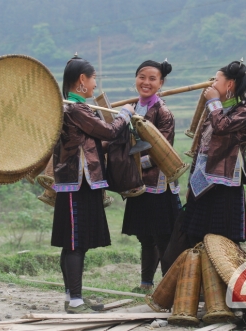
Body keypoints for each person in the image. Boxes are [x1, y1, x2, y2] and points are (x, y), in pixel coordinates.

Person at [51, 55, 135, 314]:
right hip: (80, 181)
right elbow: (109, 132)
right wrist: (125, 114)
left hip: (76, 182)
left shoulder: (73, 109)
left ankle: (72, 296)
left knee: (73, 241)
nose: (95, 84)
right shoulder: (76, 109)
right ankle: (75, 300)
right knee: (76, 242)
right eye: (93, 77)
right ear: (81, 81)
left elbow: (95, 141)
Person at [121, 59, 182, 292]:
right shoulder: (132, 108)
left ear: (160, 83)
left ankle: (169, 287)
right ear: (136, 79)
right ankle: (146, 284)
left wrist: (134, 163)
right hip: (139, 183)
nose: (146, 82)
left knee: (163, 237)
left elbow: (161, 151)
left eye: (152, 79)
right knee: (145, 237)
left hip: (159, 184)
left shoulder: (163, 112)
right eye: (142, 77)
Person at [181, 60, 246, 247]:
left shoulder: (243, 111)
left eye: (216, 80)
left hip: (224, 185)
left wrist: (213, 100)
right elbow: (201, 148)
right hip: (201, 182)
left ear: (229, 84)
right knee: (195, 236)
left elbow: (222, 126)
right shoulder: (214, 109)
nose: (212, 84)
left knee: (222, 240)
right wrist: (190, 183)